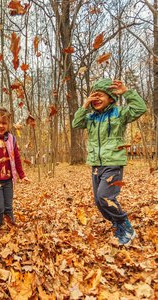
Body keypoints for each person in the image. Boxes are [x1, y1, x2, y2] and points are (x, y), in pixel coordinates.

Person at [72, 79, 147, 246]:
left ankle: (126, 227)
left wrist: (126, 92)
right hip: (96, 165)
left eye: (100, 95)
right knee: (99, 201)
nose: (96, 98)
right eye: (93, 95)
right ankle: (117, 223)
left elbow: (140, 108)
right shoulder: (90, 118)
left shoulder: (118, 114)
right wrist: (84, 106)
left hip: (113, 162)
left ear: (111, 98)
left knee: (105, 197)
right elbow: (76, 123)